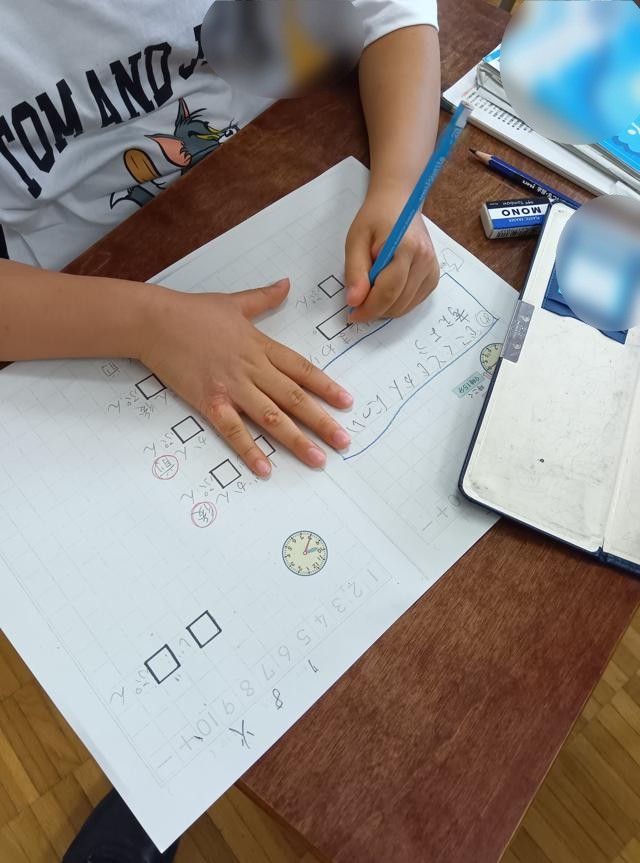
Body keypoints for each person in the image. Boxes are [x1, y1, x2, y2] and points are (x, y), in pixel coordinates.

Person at [1, 1, 440, 860]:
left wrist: (398, 183)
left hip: (260, 201)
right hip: (66, 315)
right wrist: (147, 323)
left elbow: (393, 12)